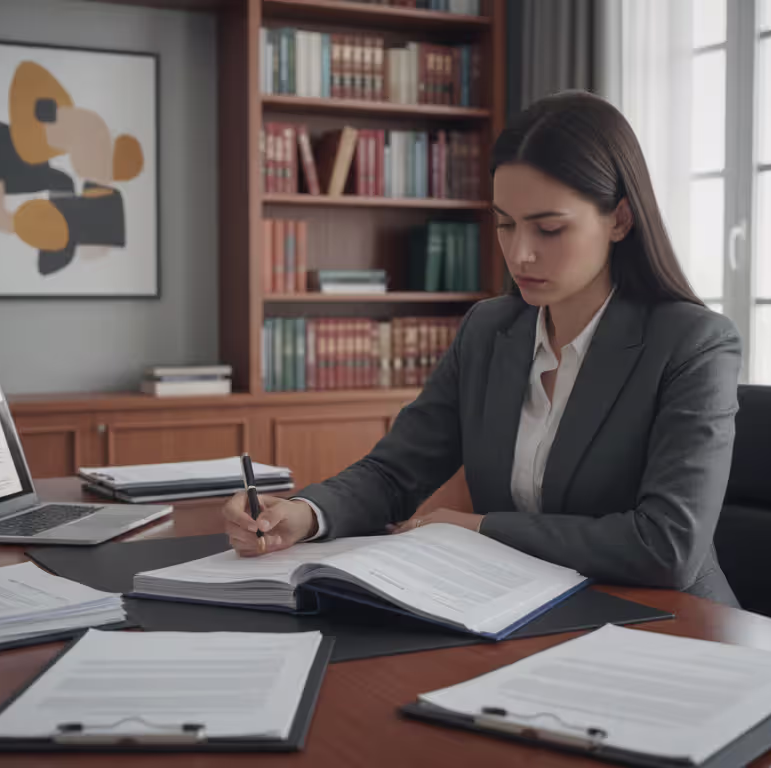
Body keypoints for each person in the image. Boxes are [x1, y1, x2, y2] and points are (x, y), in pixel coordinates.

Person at [222, 90, 742, 606]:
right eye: (505, 223)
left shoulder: (693, 345)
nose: (520, 252)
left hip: (673, 627)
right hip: (522, 609)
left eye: (549, 228)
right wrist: (304, 514)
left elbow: (667, 546)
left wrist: (478, 529)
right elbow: (394, 472)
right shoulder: (491, 329)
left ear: (620, 220)